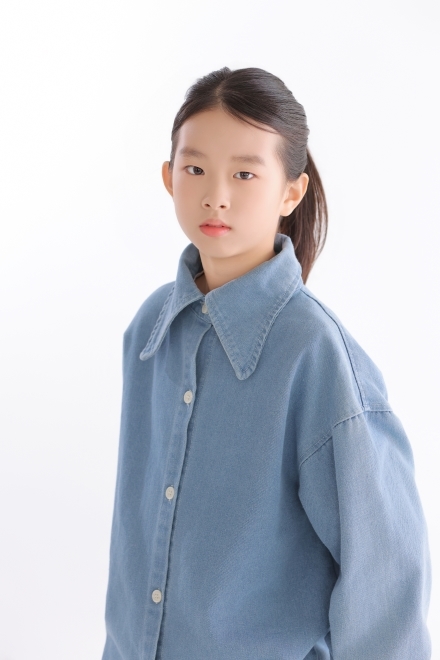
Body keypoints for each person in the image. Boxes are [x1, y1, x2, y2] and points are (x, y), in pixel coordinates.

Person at [101, 67, 432, 660]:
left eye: (245, 173)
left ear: (291, 192)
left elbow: (384, 590)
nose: (216, 195)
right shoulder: (150, 328)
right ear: (168, 177)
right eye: (195, 169)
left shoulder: (317, 356)